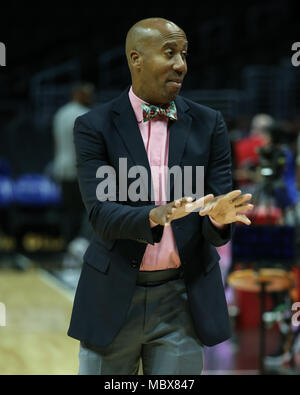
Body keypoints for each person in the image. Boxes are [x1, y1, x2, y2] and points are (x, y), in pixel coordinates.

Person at [67, 18, 253, 375]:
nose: (181, 64)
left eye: (184, 54)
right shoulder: (94, 126)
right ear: (136, 58)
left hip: (182, 301)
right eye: (170, 53)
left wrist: (218, 217)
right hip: (113, 296)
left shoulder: (209, 122)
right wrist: (156, 214)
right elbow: (101, 215)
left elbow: (216, 213)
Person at [52, 82, 95, 243]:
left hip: (61, 167)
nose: (91, 98)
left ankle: (67, 247)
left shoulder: (60, 113)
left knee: (68, 212)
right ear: (78, 94)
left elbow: (56, 142)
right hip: (79, 169)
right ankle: (79, 248)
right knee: (85, 211)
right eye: (88, 94)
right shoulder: (85, 114)